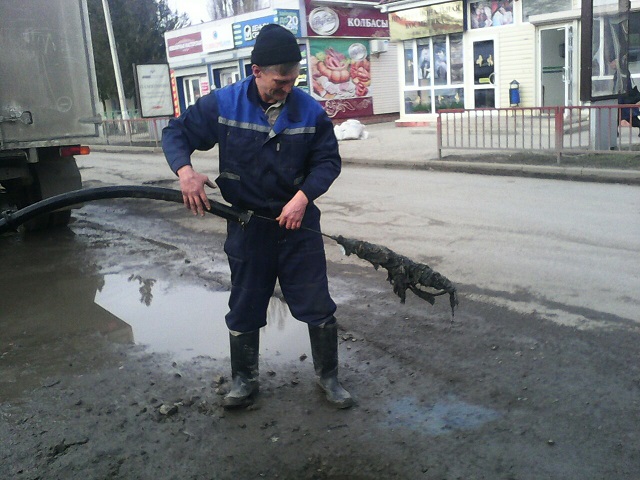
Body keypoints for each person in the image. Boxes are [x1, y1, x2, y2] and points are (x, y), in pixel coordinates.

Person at [162, 24, 353, 410]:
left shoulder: (310, 111)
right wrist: (185, 172)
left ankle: (328, 378)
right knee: (246, 304)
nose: (287, 88)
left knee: (316, 303)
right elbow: (176, 132)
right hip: (248, 226)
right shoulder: (223, 104)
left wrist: (302, 198)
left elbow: (328, 162)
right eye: (280, 81)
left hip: (298, 226)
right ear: (256, 71)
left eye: (292, 80)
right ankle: (243, 381)